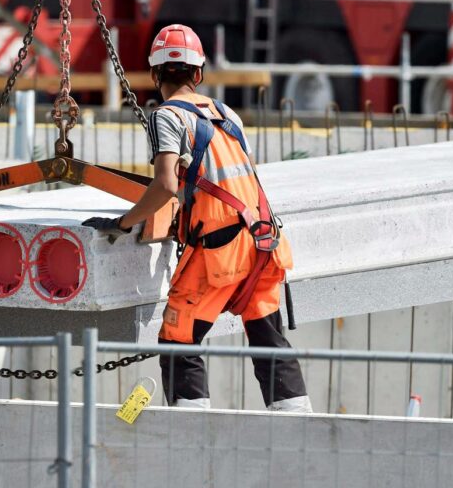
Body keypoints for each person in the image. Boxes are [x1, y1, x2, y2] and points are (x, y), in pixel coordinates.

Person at [83, 24, 311, 412]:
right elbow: (238, 181)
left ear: (155, 75)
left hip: (219, 251)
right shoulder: (227, 114)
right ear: (199, 73)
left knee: (178, 339)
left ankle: (190, 430)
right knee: (267, 334)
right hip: (262, 243)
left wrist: (123, 223)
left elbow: (166, 185)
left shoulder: (167, 117)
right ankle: (298, 422)